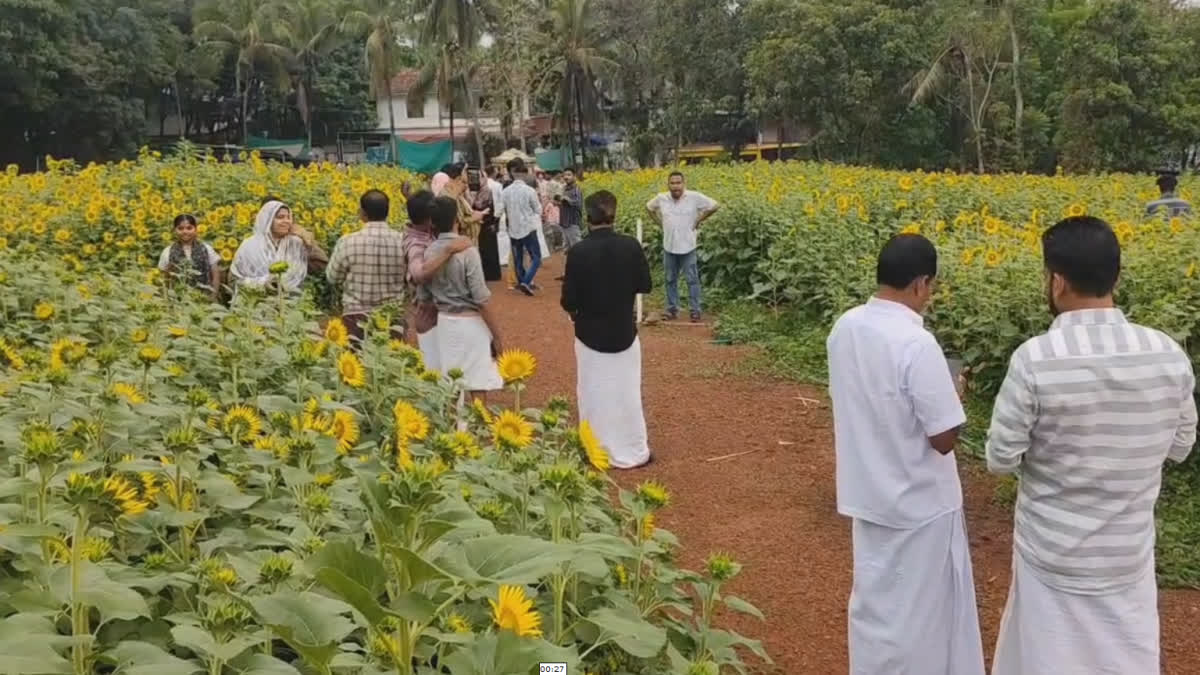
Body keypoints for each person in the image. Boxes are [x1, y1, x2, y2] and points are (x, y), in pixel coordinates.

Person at [986, 216, 1197, 675]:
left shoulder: (1035, 358)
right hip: (1127, 554)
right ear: (1116, 276)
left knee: (1046, 658)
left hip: (1052, 553)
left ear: (1057, 281)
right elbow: (1181, 445)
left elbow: (1000, 458)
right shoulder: (1167, 353)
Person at [826, 233, 985, 675]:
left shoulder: (846, 327)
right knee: (923, 616)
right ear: (920, 284)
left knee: (876, 604)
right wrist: (956, 393)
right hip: (920, 502)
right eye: (930, 288)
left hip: (868, 490)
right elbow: (943, 437)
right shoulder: (917, 343)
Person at [561, 190, 653, 469]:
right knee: (627, 393)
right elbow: (645, 285)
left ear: (587, 217)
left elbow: (569, 301)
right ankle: (634, 448)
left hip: (589, 334)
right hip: (625, 332)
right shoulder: (631, 246)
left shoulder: (578, 252)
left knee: (593, 393)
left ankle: (595, 450)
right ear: (615, 215)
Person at [418, 196, 504, 397]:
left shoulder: (430, 252)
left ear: (432, 222)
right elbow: (482, 300)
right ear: (457, 219)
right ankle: (476, 426)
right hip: (472, 323)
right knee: (477, 381)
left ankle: (455, 426)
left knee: (451, 383)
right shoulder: (468, 251)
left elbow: (424, 296)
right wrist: (497, 336)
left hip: (445, 322)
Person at [325, 189, 408, 346]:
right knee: (388, 364)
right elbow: (412, 278)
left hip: (355, 318)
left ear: (362, 213)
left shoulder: (347, 241)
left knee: (356, 365)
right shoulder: (403, 242)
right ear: (388, 212)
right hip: (391, 318)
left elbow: (332, 277)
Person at [401, 190, 471, 372]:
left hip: (444, 315)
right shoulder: (416, 243)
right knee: (438, 373)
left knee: (454, 369)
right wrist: (448, 250)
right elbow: (418, 273)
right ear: (429, 219)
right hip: (430, 317)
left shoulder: (428, 233)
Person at [645, 171, 719, 322]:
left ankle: (695, 311)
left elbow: (714, 205)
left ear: (683, 184)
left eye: (678, 183)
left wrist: (699, 219)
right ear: (668, 185)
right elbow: (649, 207)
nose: (675, 186)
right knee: (670, 279)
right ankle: (672, 309)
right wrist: (659, 223)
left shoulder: (694, 197)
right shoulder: (662, 198)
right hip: (669, 247)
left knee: (692, 280)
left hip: (688, 247)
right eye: (672, 183)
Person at [230, 200, 326, 297]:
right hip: (256, 303)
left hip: (292, 304)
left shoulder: (296, 243)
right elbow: (234, 279)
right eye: (280, 217)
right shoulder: (249, 245)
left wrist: (308, 241)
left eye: (289, 217)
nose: (287, 221)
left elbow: (322, 265)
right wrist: (262, 283)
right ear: (268, 220)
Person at [501, 159, 545, 296]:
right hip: (528, 228)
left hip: (513, 229)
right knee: (536, 257)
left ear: (512, 173)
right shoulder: (530, 190)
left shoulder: (505, 191)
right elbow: (538, 210)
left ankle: (524, 281)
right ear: (525, 174)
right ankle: (526, 281)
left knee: (518, 258)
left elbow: (499, 210)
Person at [159, 214, 222, 300]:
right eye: (180, 228)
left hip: (203, 299)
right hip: (178, 302)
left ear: (195, 229)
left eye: (189, 228)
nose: (185, 231)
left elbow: (215, 276)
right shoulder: (168, 252)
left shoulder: (206, 249)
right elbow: (164, 280)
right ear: (174, 230)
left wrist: (212, 297)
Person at [470, 168, 502, 281]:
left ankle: (492, 274)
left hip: (487, 223)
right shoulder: (478, 190)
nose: (479, 179)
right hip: (483, 223)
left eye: (481, 177)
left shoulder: (486, 191)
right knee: (485, 249)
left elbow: (481, 206)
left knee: (489, 249)